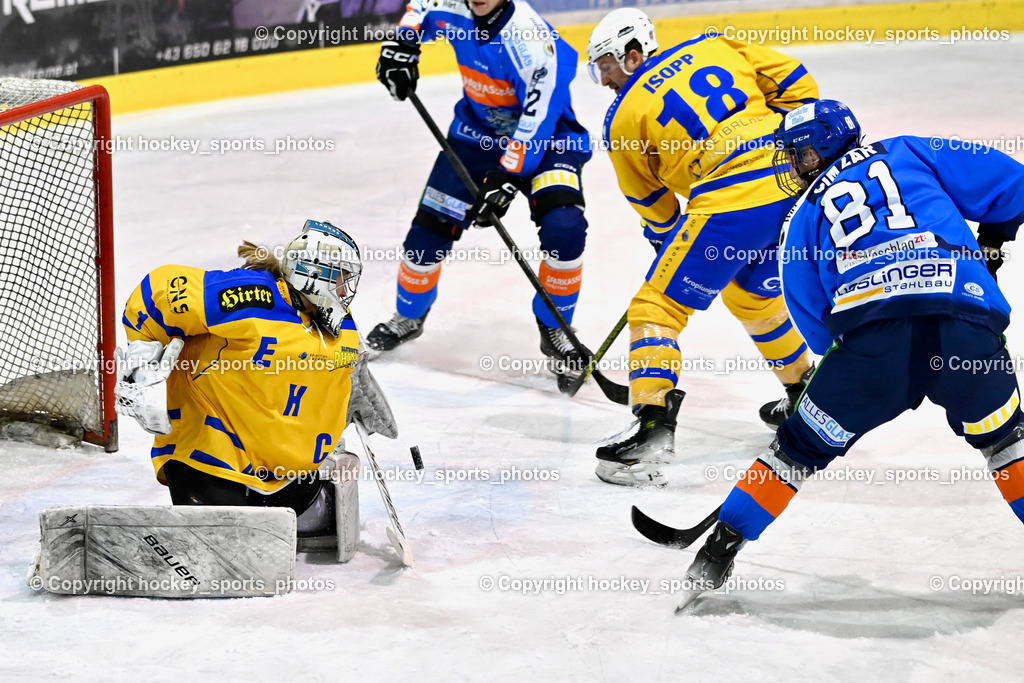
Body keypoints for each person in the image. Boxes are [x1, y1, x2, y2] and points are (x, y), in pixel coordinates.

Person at [681, 99, 1024, 604]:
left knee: (795, 452)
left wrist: (840, 374)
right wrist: (991, 246)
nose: (792, 164)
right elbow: (1011, 184)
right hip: (966, 327)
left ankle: (715, 554)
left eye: (797, 154)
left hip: (872, 344)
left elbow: (812, 316)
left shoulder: (804, 216)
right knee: (1007, 444)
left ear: (818, 150)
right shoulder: (911, 150)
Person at [585, 8, 819, 486]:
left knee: (656, 306)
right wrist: (773, 137)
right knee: (753, 298)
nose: (605, 79)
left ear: (634, 55)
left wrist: (669, 244)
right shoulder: (715, 46)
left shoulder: (623, 115)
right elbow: (800, 85)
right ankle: (806, 397)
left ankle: (651, 426)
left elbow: (650, 200)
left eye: (607, 65)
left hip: (728, 203)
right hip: (791, 187)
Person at [370, 0, 593, 380]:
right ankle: (408, 316)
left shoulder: (532, 43)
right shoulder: (454, 6)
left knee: (565, 228)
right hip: (475, 138)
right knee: (428, 233)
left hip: (549, 140)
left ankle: (555, 327)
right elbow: (421, 8)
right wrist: (403, 45)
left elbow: (536, 124)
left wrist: (506, 178)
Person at [115, 220, 365, 548]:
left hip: (292, 482)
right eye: (341, 277)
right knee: (227, 545)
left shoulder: (341, 325)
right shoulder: (251, 297)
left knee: (261, 533)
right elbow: (157, 291)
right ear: (312, 272)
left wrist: (351, 389)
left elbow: (336, 371)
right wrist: (142, 367)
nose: (347, 290)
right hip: (214, 468)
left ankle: (296, 507)